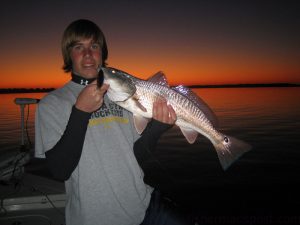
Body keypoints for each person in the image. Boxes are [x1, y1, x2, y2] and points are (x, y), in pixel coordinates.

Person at [35, 19, 193, 225]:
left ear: (102, 52)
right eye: (78, 47)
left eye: (94, 46)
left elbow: (140, 154)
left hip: (145, 206)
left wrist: (158, 127)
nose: (88, 54)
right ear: (68, 54)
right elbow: (60, 170)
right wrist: (80, 112)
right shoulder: (52, 104)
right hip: (95, 218)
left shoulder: (121, 95)